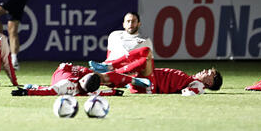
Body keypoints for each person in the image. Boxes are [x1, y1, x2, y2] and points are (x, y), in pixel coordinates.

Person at [90, 46, 221, 95]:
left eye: (208, 73)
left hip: (150, 85)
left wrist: (196, 90)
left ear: (210, 83)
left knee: (146, 54)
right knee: (144, 53)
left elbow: (188, 93)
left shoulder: (199, 85)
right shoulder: (191, 78)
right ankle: (103, 72)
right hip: (147, 79)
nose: (205, 70)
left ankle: (111, 67)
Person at [10, 62, 130, 96]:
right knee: (89, 72)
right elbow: (103, 93)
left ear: (83, 80)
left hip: (62, 74)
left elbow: (48, 91)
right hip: (67, 73)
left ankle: (31, 85)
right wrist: (115, 92)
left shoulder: (66, 85)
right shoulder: (91, 91)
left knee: (54, 87)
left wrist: (27, 91)